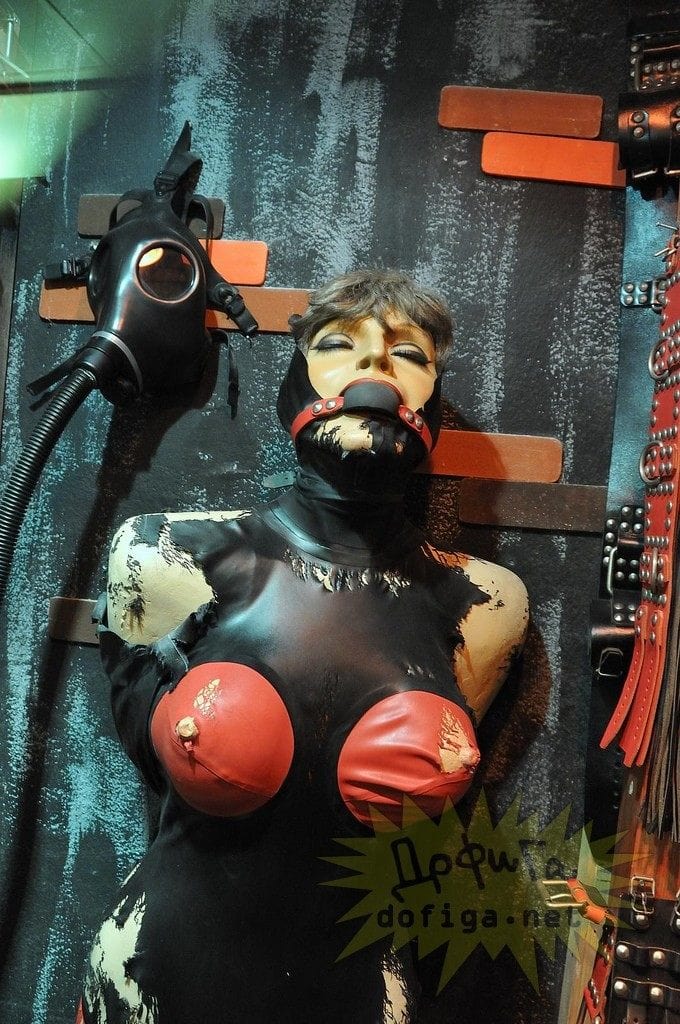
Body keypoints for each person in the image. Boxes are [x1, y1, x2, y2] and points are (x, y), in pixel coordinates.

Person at [80, 269, 528, 1023]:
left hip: (365, 993)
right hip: (152, 976)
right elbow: (148, 762)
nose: (375, 366)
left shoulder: (485, 605)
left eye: (409, 354)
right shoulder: (165, 557)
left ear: (433, 401)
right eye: (339, 344)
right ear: (296, 378)